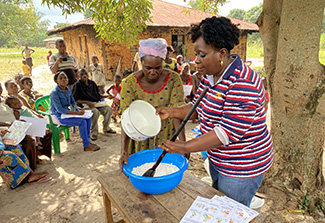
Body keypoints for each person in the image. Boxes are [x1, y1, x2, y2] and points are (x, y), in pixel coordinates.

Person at [156, 16, 273, 207]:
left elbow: (227, 132)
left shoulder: (243, 82)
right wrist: (172, 112)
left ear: (222, 53)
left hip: (242, 165)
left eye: (202, 55)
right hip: (218, 157)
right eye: (196, 54)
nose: (196, 61)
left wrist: (185, 147)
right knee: (219, 204)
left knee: (230, 211)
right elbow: (197, 107)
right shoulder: (211, 75)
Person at [119, 38, 186, 170]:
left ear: (163, 62)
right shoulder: (130, 83)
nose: (153, 72)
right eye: (148, 68)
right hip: (139, 137)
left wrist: (183, 144)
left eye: (158, 68)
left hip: (165, 136)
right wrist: (124, 151)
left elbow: (177, 113)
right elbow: (126, 120)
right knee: (141, 170)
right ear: (140, 62)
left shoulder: (173, 79)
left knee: (166, 169)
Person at [50, 71, 100, 151]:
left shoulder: (68, 90)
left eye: (65, 78)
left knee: (88, 116)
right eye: (61, 78)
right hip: (58, 117)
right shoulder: (54, 93)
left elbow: (73, 103)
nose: (64, 80)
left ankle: (86, 141)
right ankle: (87, 145)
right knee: (82, 121)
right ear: (56, 81)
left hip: (67, 114)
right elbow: (60, 109)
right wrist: (76, 113)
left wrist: (78, 109)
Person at [0, 83, 39, 170]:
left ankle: (33, 164)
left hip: (15, 126)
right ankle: (29, 169)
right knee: (28, 139)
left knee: (38, 133)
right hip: (4, 131)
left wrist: (18, 122)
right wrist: (8, 124)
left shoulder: (4, 100)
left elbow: (18, 109)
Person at [72, 68, 116, 141]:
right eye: (82, 74)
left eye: (85, 74)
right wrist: (87, 102)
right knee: (95, 112)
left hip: (96, 103)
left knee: (108, 109)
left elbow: (97, 95)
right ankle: (94, 132)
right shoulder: (77, 85)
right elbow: (76, 100)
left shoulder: (92, 83)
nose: (84, 76)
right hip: (84, 105)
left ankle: (106, 128)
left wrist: (106, 96)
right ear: (78, 76)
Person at [4, 95, 53, 160]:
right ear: (11, 107)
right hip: (28, 125)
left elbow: (30, 111)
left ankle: (43, 152)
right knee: (33, 136)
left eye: (19, 102)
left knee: (46, 131)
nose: (18, 104)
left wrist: (37, 115)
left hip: (35, 122)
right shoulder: (16, 111)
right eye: (16, 104)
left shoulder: (23, 107)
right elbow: (18, 120)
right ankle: (37, 144)